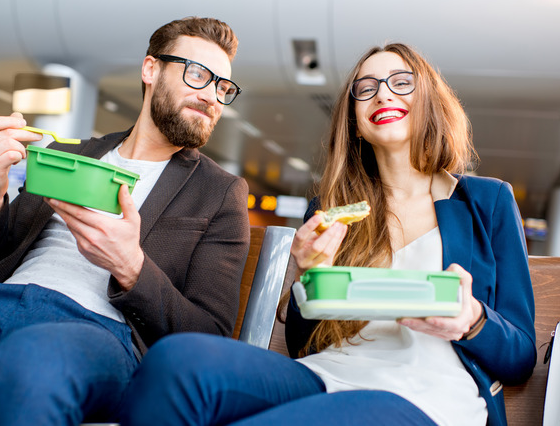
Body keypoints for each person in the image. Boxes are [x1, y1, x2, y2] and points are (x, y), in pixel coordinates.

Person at [0, 16, 250, 425]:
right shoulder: (67, 154)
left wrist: (131, 267)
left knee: (33, 362)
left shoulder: (220, 192)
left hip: (98, 334)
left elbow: (208, 336)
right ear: (150, 70)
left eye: (223, 87)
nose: (213, 96)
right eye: (198, 75)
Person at [119, 43, 536, 426]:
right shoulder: (331, 211)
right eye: (366, 89)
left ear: (429, 102)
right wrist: (307, 273)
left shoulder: (487, 201)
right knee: (177, 361)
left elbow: (520, 355)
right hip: (325, 378)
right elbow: (304, 347)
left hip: (425, 397)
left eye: (402, 83)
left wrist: (472, 320)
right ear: (354, 124)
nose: (383, 95)